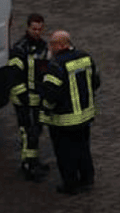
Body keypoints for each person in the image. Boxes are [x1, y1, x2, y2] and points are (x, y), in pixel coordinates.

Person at [41, 30, 101, 195]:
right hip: (85, 116)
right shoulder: (85, 58)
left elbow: (51, 94)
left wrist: (44, 108)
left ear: (61, 45)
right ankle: (87, 178)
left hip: (64, 120)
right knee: (83, 149)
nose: (50, 48)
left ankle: (70, 185)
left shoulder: (56, 65)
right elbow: (95, 82)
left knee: (65, 154)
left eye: (52, 44)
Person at [5, 13, 51, 182]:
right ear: (27, 28)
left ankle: (34, 161)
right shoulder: (20, 49)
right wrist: (23, 95)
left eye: (40, 29)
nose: (37, 32)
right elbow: (13, 75)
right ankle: (28, 165)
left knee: (36, 131)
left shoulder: (43, 47)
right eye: (34, 29)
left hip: (37, 98)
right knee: (27, 132)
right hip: (24, 99)